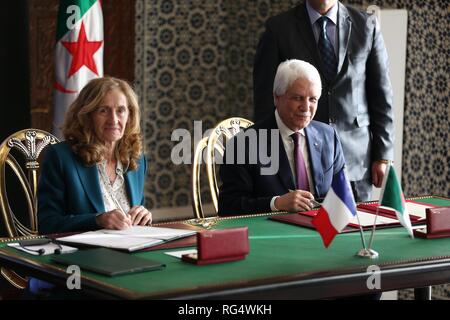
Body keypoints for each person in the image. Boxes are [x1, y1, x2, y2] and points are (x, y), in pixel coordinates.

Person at [253, 0, 394, 202]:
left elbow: (382, 95)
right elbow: (265, 98)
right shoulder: (279, 28)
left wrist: (383, 154)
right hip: (301, 160)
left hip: (356, 160)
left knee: (355, 230)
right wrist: (268, 162)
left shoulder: (366, 25)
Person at [218, 59, 345, 216]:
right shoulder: (243, 144)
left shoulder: (328, 136)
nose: (306, 108)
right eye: (298, 98)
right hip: (271, 233)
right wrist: (276, 203)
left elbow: (344, 195)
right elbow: (229, 207)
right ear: (277, 98)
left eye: (312, 99)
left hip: (322, 230)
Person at [38, 77, 152, 234]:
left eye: (120, 110)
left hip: (130, 250)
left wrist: (143, 216)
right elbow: (47, 224)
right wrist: (97, 220)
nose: (114, 119)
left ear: (129, 115)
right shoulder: (61, 157)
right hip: (82, 254)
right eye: (103, 110)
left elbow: (134, 221)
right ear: (87, 116)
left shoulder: (137, 160)